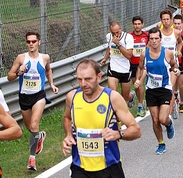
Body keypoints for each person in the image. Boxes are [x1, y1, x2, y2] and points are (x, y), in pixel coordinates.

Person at [62, 59, 142, 177]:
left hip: (109, 168)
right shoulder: (72, 97)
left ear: (99, 77)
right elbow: (67, 118)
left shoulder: (112, 98)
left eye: (88, 79)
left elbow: (136, 130)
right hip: (80, 168)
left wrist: (118, 134)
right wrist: (68, 135)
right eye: (79, 79)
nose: (83, 84)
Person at [7, 31, 58, 171]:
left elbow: (48, 71)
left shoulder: (45, 57)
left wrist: (52, 85)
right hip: (24, 97)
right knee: (30, 127)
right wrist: (19, 72)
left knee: (34, 125)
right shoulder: (21, 58)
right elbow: (9, 77)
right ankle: (40, 136)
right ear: (26, 43)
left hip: (38, 96)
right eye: (28, 42)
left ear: (39, 42)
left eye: (33, 41)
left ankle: (31, 160)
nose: (31, 44)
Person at [134, 28, 178, 155]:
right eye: (151, 39)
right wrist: (138, 80)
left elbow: (174, 65)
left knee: (163, 119)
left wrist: (176, 70)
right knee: (155, 120)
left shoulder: (168, 53)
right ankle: (161, 144)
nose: (154, 41)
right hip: (151, 89)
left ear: (160, 40)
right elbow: (142, 68)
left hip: (164, 88)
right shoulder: (144, 54)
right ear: (149, 40)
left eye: (156, 38)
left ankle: (169, 124)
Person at [100, 22, 135, 108]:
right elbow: (110, 48)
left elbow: (129, 55)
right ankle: (115, 115)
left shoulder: (128, 37)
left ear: (121, 29)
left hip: (125, 69)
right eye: (113, 33)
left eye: (117, 32)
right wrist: (105, 58)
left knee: (125, 97)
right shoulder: (109, 36)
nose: (116, 34)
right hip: (113, 68)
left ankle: (131, 96)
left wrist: (118, 44)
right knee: (112, 94)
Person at [129, 16, 149, 117]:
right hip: (132, 64)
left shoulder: (146, 35)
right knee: (136, 85)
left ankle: (140, 105)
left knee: (140, 84)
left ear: (142, 24)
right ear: (133, 25)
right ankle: (140, 99)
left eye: (139, 24)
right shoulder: (129, 36)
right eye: (135, 24)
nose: (137, 26)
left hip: (143, 64)